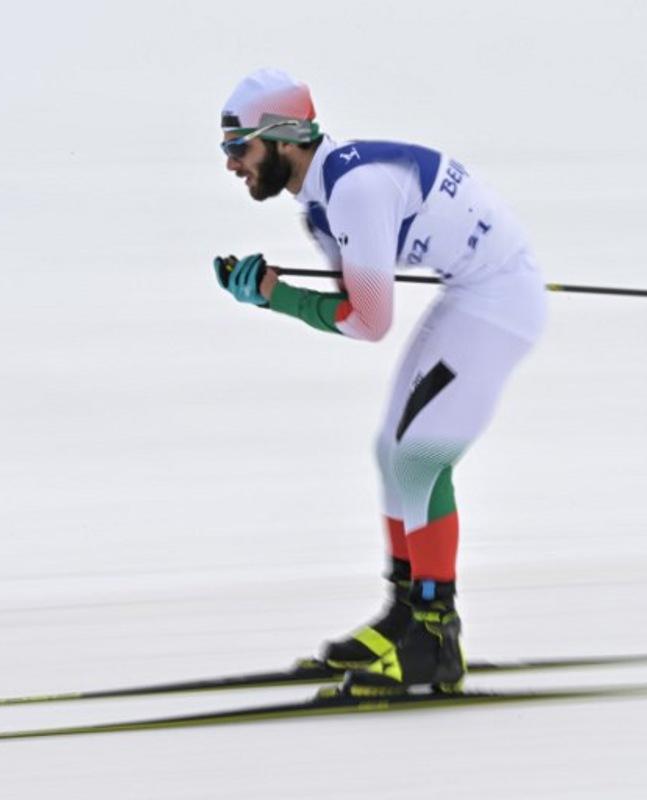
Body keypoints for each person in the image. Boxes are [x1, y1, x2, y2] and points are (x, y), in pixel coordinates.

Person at [213, 68, 547, 694]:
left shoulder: (352, 190)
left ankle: (435, 638)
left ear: (284, 139)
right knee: (392, 454)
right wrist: (279, 292)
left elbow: (368, 321)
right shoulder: (323, 195)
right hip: (476, 288)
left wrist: (273, 297)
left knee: (421, 459)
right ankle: (406, 614)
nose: (232, 164)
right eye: (225, 150)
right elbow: (361, 292)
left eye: (240, 148)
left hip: (497, 301)